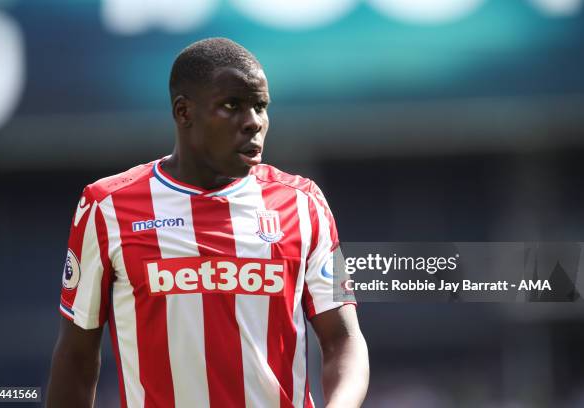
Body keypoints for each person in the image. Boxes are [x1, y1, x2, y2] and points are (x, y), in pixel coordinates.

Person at [47, 37, 369, 408]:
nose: (253, 122)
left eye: (260, 106)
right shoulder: (106, 207)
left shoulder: (303, 203)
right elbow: (76, 355)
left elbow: (343, 340)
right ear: (183, 112)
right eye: (232, 106)